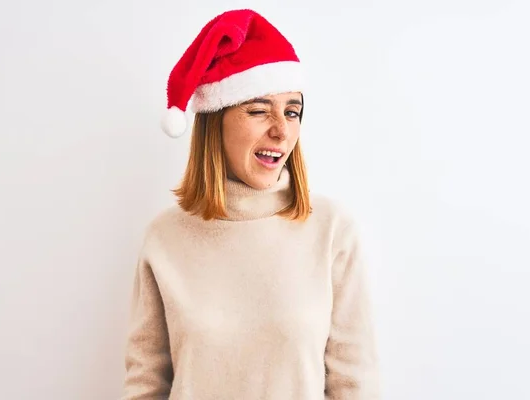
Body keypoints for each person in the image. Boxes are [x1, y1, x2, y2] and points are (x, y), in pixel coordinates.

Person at [121, 8, 379, 400]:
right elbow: (145, 385)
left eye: (292, 111)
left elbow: (355, 384)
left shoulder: (332, 230)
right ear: (216, 119)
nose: (281, 129)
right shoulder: (165, 237)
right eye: (258, 110)